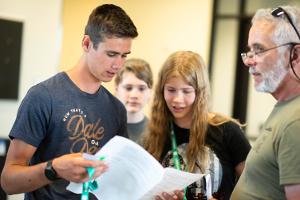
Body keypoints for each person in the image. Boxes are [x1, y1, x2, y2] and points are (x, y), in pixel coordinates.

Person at [0, 4, 138, 200]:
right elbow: (8, 181)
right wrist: (53, 169)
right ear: (87, 43)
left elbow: (118, 178)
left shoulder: (116, 110)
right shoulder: (43, 96)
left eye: (124, 56)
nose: (118, 65)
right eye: (111, 54)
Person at [142, 51, 251, 200]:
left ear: (200, 92)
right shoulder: (154, 134)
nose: (177, 100)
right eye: (171, 90)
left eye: (186, 91)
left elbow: (255, 187)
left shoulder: (226, 130)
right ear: (161, 90)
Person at [231, 5, 300, 200]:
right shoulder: (285, 108)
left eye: (259, 50)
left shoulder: (296, 122)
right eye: (249, 51)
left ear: (295, 55)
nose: (249, 61)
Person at [115, 58, 153, 143]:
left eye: (141, 89)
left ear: (150, 91)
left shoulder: (157, 134)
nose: (134, 95)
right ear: (117, 89)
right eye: (128, 88)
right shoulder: (103, 129)